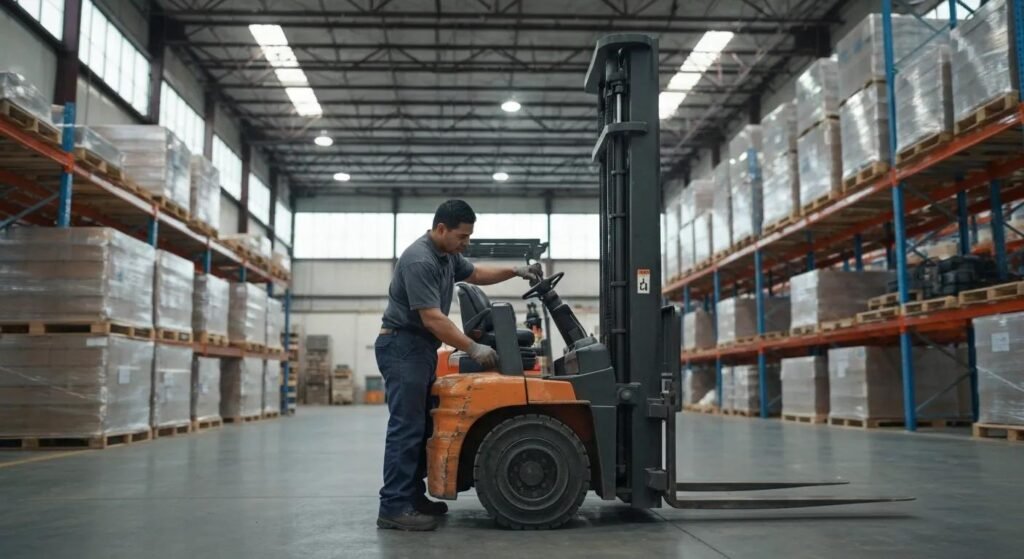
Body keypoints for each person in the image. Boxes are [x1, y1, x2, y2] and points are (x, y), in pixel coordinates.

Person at [375, 200, 543, 531]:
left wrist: (515, 271)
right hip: (402, 346)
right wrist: (472, 347)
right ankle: (393, 506)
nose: (466, 243)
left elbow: (476, 274)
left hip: (419, 348)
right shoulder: (419, 260)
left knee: (421, 426)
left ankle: (411, 497)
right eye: (462, 236)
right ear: (441, 229)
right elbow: (433, 319)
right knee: (406, 428)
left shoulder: (447, 255)